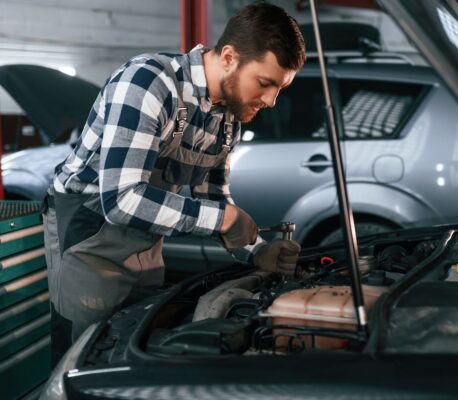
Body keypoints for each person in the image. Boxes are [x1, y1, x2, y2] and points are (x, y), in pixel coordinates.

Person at [42, 2, 305, 365]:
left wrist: (257, 249)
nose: (272, 101)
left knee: (133, 350)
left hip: (145, 241)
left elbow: (213, 198)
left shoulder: (227, 120)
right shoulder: (149, 83)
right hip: (88, 237)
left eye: (280, 88)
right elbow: (120, 200)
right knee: (82, 357)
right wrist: (227, 220)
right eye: (265, 83)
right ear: (229, 57)